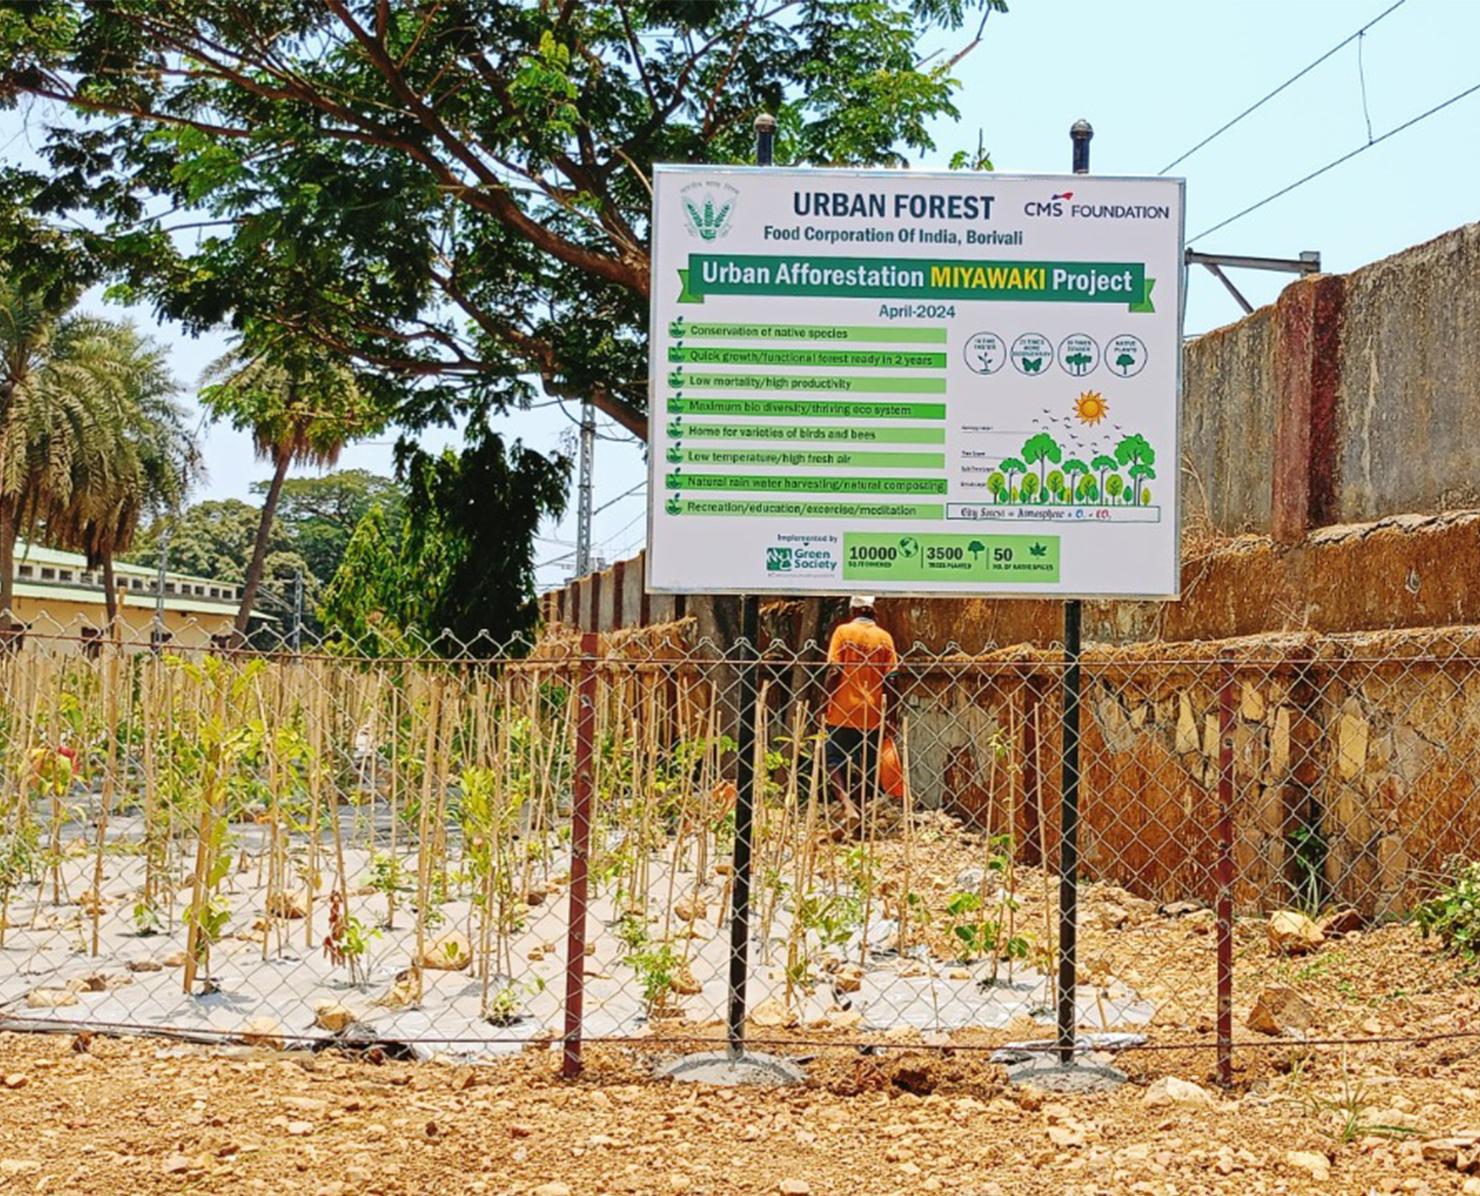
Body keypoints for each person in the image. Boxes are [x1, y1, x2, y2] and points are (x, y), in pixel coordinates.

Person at [822, 596, 898, 824]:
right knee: (868, 764)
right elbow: (892, 679)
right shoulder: (884, 638)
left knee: (834, 759)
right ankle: (862, 810)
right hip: (873, 713)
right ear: (873, 612)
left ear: (853, 611)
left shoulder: (843, 633)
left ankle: (848, 807)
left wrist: (824, 701)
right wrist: (891, 714)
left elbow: (834, 670)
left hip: (842, 709)